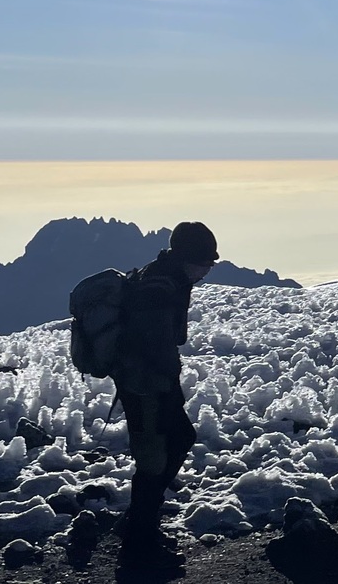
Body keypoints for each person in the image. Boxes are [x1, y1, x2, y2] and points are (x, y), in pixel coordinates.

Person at [114, 221, 219, 566]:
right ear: (188, 259)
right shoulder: (160, 286)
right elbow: (154, 342)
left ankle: (140, 523)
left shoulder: (167, 277)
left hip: (148, 381)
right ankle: (139, 542)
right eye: (204, 263)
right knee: (155, 456)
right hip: (145, 384)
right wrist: (165, 385)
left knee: (171, 443)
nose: (207, 270)